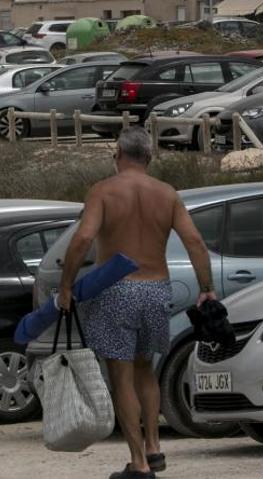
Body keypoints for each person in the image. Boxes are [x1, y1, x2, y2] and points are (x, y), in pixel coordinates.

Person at [56, 127, 216, 479]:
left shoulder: (103, 191)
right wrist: (207, 287)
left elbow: (83, 238)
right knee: (146, 368)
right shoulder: (167, 193)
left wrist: (66, 285)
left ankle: (138, 463)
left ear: (118, 156)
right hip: (157, 289)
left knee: (121, 374)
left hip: (116, 290)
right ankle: (154, 447)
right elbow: (195, 241)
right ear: (149, 157)